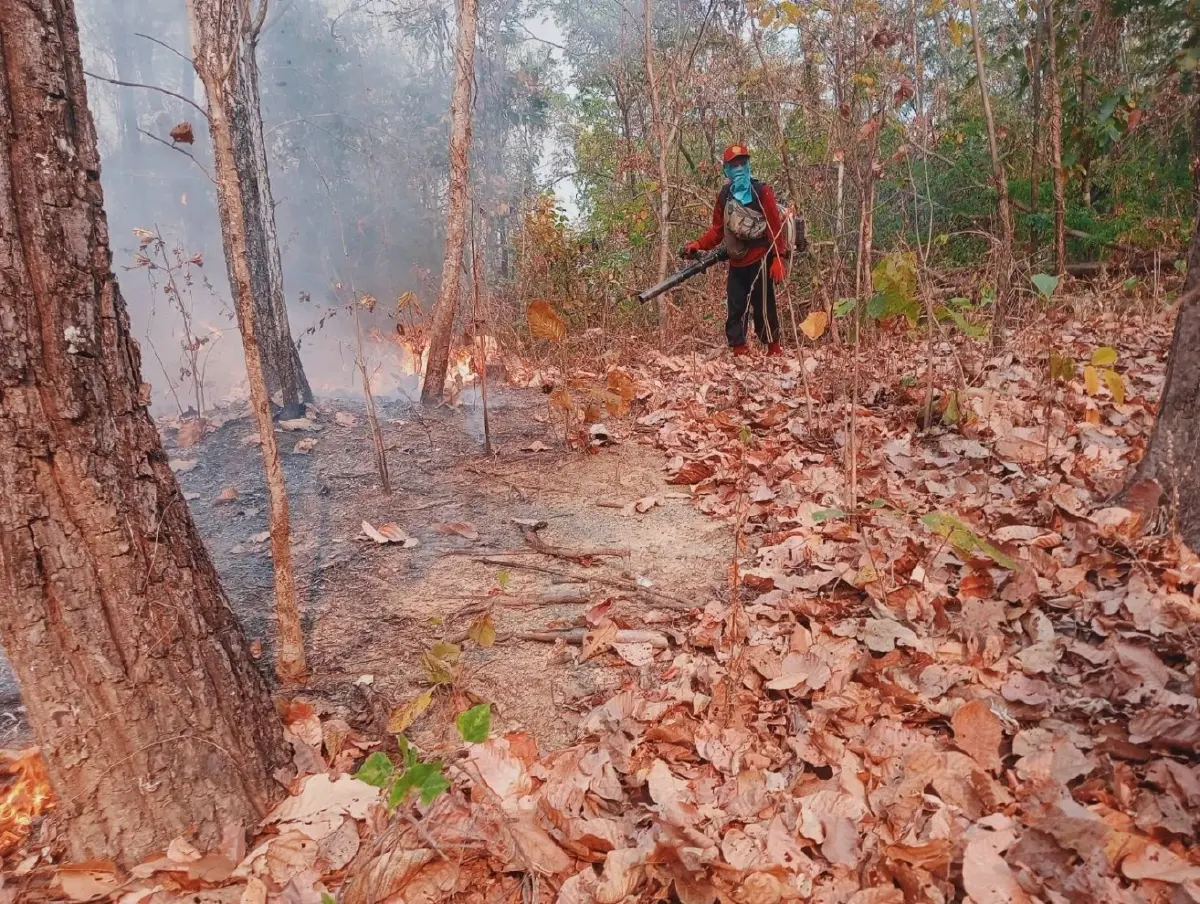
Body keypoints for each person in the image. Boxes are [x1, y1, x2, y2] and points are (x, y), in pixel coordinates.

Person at [683, 144, 789, 357]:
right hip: (737, 262)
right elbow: (717, 231)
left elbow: (775, 227)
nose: (739, 168)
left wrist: (779, 258)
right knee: (735, 307)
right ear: (727, 170)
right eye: (734, 165)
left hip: (760, 259)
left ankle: (773, 350)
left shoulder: (762, 192)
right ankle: (739, 350)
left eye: (743, 163)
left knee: (764, 307)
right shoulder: (724, 196)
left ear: (749, 164)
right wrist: (698, 244)